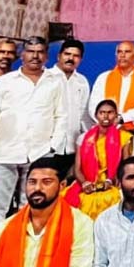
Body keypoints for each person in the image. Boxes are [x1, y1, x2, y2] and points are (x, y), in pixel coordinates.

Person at [0, 36, 66, 216]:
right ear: (22, 55)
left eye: (40, 52)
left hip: (40, 152)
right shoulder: (4, 82)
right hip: (3, 153)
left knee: (32, 205)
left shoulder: (56, 81)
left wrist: (53, 148)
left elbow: (61, 115)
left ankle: (26, 235)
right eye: (30, 51)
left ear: (46, 56)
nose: (35, 56)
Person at [64, 99, 131, 219]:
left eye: (110, 112)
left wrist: (111, 180)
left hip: (113, 183)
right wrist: (85, 183)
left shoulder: (123, 137)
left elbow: (127, 167)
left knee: (110, 199)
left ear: (116, 115)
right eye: (102, 112)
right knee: (69, 200)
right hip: (87, 181)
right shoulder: (83, 138)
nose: (106, 116)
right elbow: (77, 169)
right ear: (96, 115)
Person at [90, 41, 134, 151]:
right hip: (104, 131)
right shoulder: (103, 78)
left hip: (133, 133)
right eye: (119, 52)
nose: (122, 55)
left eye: (127, 52)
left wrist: (121, 119)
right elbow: (93, 106)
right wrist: (108, 121)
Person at [49, 39, 92, 176]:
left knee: (67, 185)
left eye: (76, 56)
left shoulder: (82, 81)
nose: (71, 58)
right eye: (67, 54)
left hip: (73, 147)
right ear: (59, 56)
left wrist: (88, 141)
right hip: (49, 147)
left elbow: (84, 114)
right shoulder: (46, 78)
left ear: (80, 60)